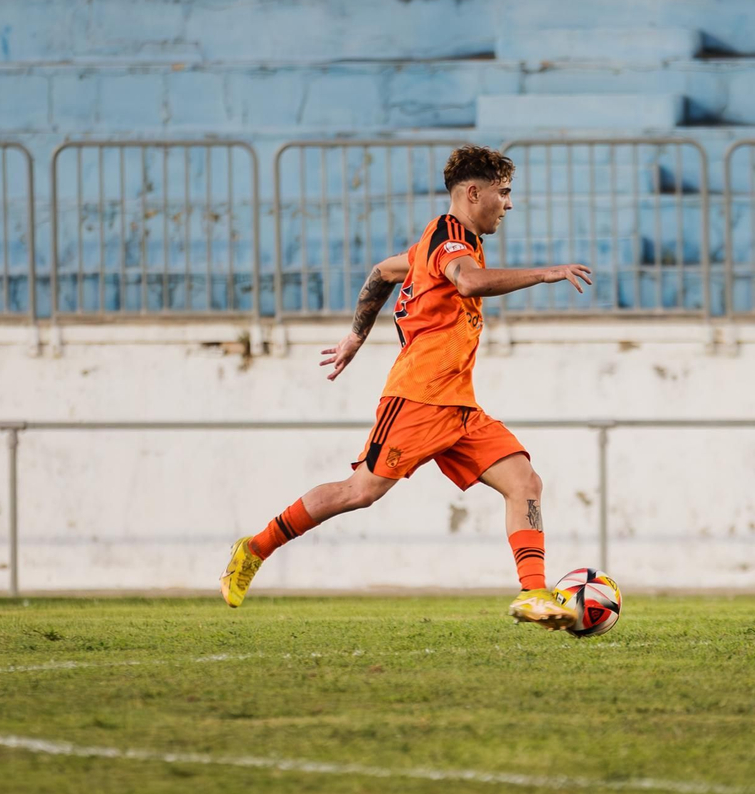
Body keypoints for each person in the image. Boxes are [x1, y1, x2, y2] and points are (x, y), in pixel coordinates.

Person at [219, 144, 593, 629]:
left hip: (457, 403)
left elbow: (381, 273)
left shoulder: (432, 245)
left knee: (524, 481)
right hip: (419, 396)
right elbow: (469, 283)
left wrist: (356, 335)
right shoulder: (450, 240)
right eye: (504, 193)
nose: (509, 204)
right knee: (360, 490)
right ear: (473, 192)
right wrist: (546, 273)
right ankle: (255, 548)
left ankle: (534, 595)